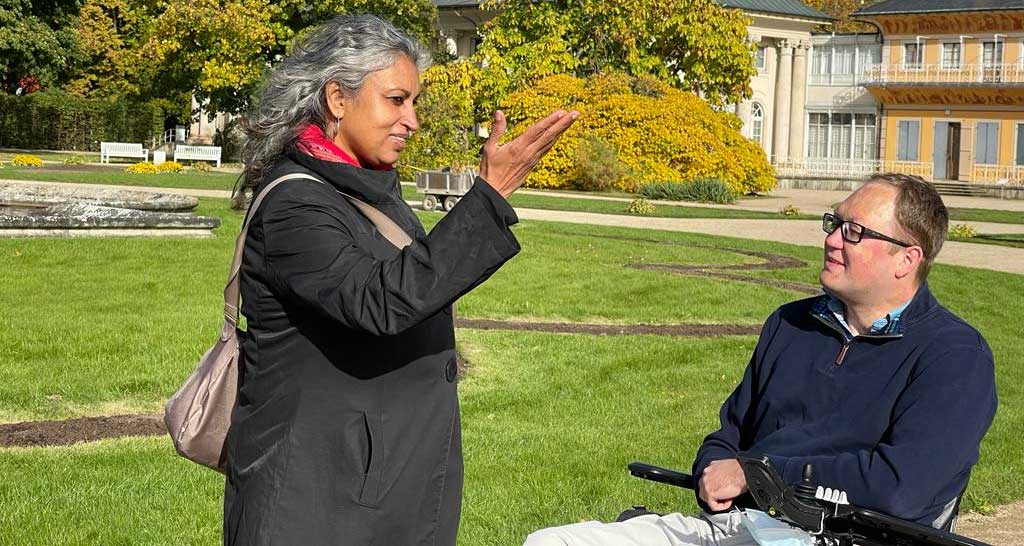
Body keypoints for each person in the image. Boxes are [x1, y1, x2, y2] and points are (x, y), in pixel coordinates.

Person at [222, 14, 577, 546]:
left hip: (376, 488)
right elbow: (381, 300)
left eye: (414, 102)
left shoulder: (365, 189)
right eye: (396, 100)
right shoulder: (296, 202)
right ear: (337, 99)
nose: (412, 120)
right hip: (316, 499)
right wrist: (491, 196)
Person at [524, 173, 997, 546]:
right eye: (833, 224)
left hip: (842, 538)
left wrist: (761, 474)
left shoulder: (953, 357)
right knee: (551, 541)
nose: (832, 240)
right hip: (743, 527)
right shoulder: (790, 324)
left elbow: (903, 489)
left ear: (905, 259)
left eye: (854, 232)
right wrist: (715, 472)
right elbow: (730, 434)